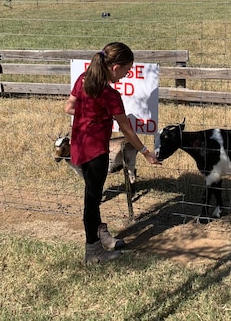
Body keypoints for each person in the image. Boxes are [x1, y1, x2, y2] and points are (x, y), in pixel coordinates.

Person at [64, 42, 161, 264]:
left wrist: (90, 116)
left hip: (79, 146)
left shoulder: (83, 80)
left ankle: (101, 235)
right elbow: (126, 128)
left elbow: (68, 108)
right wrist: (146, 153)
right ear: (115, 67)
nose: (127, 75)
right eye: (126, 70)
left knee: (93, 197)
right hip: (96, 151)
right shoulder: (109, 95)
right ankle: (93, 251)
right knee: (92, 200)